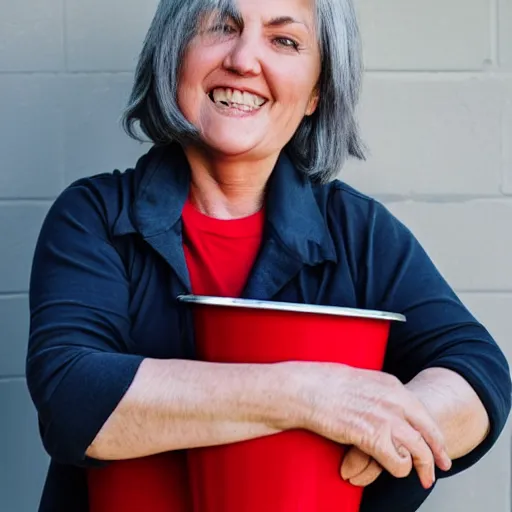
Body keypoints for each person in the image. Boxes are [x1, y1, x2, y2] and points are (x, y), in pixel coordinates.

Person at [26, 0, 510, 510]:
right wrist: (312, 396)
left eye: (284, 40)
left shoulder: (359, 233)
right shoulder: (94, 216)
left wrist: (394, 423)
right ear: (173, 56)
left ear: (317, 91)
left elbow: (478, 373)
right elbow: (72, 399)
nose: (243, 59)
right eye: (221, 26)